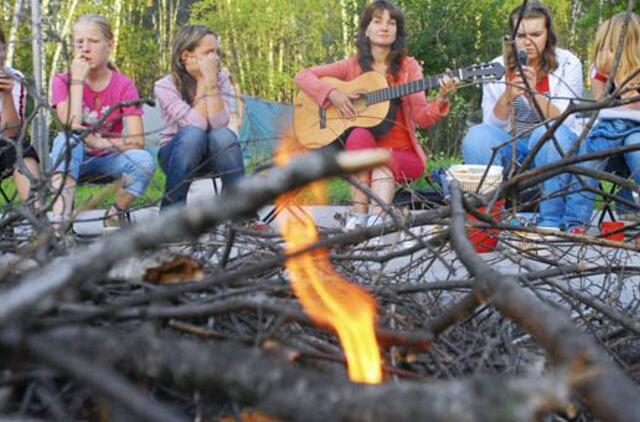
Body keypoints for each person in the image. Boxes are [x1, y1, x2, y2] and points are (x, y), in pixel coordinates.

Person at [294, 0, 458, 229]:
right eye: (377, 20)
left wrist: (441, 98)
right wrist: (333, 93)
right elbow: (302, 76)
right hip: (361, 152)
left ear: (397, 31)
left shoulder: (409, 67)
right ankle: (359, 218)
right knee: (358, 135)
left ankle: (374, 224)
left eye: (391, 22)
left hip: (402, 155)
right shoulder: (351, 66)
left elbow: (422, 117)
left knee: (383, 162)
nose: (385, 26)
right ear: (366, 29)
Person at [460, 1, 583, 229]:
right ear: (512, 37)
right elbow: (492, 125)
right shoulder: (497, 66)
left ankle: (550, 223)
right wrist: (508, 94)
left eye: (536, 34)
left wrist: (534, 92)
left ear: (548, 35)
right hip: (513, 146)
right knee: (476, 136)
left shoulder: (568, 63)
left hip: (554, 146)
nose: (528, 41)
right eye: (522, 35)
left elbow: (566, 121)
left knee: (543, 133)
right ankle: (489, 217)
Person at [50, 14, 155, 230]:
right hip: (74, 157)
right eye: (79, 42)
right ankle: (60, 223)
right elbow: (70, 123)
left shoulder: (124, 85)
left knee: (144, 161)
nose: (85, 49)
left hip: (110, 158)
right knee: (66, 141)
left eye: (93, 41)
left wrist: (99, 144)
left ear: (109, 45)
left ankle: (113, 214)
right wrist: (78, 80)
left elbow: (137, 141)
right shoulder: (62, 80)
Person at [561, 12, 640, 231]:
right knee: (587, 162)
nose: (605, 52)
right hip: (609, 128)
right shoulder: (601, 71)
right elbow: (601, 104)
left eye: (610, 46)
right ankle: (574, 222)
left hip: (637, 132)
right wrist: (612, 77)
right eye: (603, 47)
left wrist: (629, 82)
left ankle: (633, 215)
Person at [155, 25, 247, 210]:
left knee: (223, 135)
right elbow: (196, 124)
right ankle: (172, 217)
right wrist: (203, 79)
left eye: (216, 52)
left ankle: (243, 214)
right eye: (208, 52)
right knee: (192, 134)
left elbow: (219, 123)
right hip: (176, 156)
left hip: (213, 155)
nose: (215, 58)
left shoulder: (220, 79)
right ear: (186, 56)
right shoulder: (165, 86)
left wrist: (211, 81)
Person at [0, 28, 41, 206]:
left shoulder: (15, 79)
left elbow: (11, 134)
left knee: (20, 149)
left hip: (4, 144)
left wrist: (7, 95)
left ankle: (39, 220)